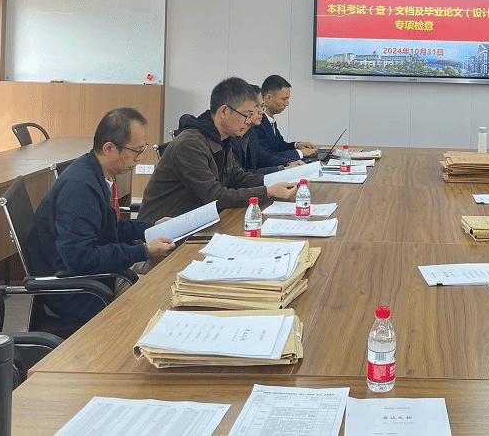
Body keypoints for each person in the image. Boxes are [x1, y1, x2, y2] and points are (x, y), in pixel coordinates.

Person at [30, 107, 176, 322]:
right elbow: (80, 258)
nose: (139, 158)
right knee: (164, 296)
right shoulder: (80, 188)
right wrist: (143, 251)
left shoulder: (99, 172)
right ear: (109, 148)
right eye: (136, 151)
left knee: (172, 267)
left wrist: (151, 227)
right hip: (81, 289)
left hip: (99, 273)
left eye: (142, 149)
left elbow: (108, 226)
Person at [138, 77, 298, 222]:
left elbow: (236, 177)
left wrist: (275, 182)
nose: (248, 121)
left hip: (195, 222)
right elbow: (215, 197)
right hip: (163, 231)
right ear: (224, 111)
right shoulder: (191, 144)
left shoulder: (221, 138)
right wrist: (267, 191)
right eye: (246, 115)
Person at [230, 84, 305, 172]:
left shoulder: (250, 131)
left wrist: (289, 163)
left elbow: (263, 158)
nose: (261, 112)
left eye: (262, 106)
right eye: (256, 106)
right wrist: (283, 169)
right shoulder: (231, 136)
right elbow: (239, 175)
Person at [253, 74, 317, 159]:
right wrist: (300, 153)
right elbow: (267, 156)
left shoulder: (270, 121)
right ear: (268, 98)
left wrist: (297, 145)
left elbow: (279, 146)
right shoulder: (257, 123)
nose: (287, 104)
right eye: (284, 99)